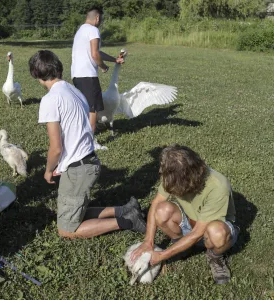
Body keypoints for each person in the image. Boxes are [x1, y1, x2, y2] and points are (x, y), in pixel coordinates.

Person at [29, 50, 146, 238]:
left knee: (66, 229)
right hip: (89, 160)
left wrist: (48, 170)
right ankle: (123, 209)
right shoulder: (75, 91)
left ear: (37, 75)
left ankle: (128, 220)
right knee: (73, 212)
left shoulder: (50, 100)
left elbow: (56, 147)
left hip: (78, 169)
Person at [130, 145, 239, 284]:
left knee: (217, 233)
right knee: (161, 210)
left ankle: (215, 256)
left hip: (209, 230)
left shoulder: (218, 186)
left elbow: (199, 232)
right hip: (190, 223)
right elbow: (156, 203)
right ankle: (183, 246)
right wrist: (148, 241)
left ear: (190, 175)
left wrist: (162, 255)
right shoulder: (173, 174)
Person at [71, 6, 124, 149]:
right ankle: (91, 142)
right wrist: (103, 67)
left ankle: (81, 138)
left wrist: (114, 60)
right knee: (92, 110)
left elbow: (97, 52)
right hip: (88, 76)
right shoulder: (93, 30)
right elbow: (95, 55)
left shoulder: (80, 31)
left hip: (77, 76)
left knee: (85, 108)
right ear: (97, 18)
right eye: (101, 20)